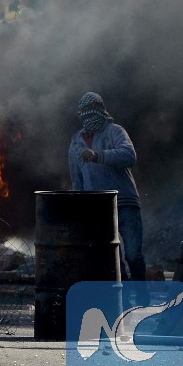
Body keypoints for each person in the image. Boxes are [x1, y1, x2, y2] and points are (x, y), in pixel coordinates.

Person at [69, 92, 147, 283]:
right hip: (98, 209)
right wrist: (80, 207)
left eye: (92, 109)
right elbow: (77, 179)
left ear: (101, 109)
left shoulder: (115, 131)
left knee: (133, 256)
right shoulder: (76, 142)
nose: (89, 114)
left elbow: (129, 155)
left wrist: (98, 156)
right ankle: (124, 296)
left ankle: (142, 294)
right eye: (85, 110)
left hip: (125, 202)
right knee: (113, 259)